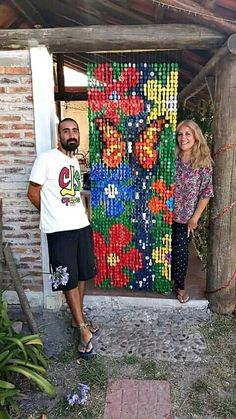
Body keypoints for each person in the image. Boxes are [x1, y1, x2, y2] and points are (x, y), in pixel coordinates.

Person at [27, 118, 97, 358]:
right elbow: (32, 192)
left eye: (75, 130)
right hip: (59, 231)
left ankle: (78, 319)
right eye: (66, 130)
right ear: (59, 136)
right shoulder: (46, 159)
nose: (71, 134)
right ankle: (82, 329)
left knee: (83, 274)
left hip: (81, 226)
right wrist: (50, 214)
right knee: (66, 278)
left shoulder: (74, 161)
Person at [172, 120, 213, 303]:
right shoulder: (171, 157)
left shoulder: (203, 163)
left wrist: (195, 218)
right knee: (163, 249)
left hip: (185, 217)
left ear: (196, 136)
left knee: (180, 252)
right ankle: (164, 280)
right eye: (180, 134)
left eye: (187, 134)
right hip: (163, 214)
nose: (183, 138)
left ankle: (179, 286)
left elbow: (206, 193)